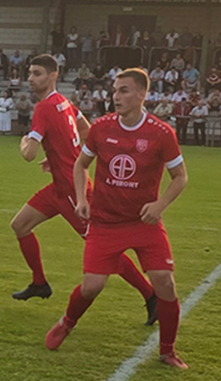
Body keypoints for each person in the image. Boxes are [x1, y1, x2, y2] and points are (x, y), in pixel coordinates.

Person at [46, 69, 190, 366]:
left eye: (124, 90)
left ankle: (168, 350)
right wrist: (83, 198)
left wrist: (160, 205)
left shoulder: (162, 133)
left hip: (143, 223)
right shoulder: (101, 128)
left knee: (164, 282)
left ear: (142, 95)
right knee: (92, 286)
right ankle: (67, 322)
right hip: (104, 222)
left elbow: (180, 177)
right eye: (115, 90)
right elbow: (80, 164)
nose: (116, 96)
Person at [9, 53, 157, 323]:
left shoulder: (43, 108)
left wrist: (24, 141)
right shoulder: (65, 102)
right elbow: (87, 132)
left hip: (71, 192)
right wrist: (60, 155)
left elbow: (28, 153)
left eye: (37, 73)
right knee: (20, 225)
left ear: (53, 76)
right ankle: (39, 283)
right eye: (30, 73)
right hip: (59, 187)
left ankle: (151, 295)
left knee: (105, 251)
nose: (30, 79)